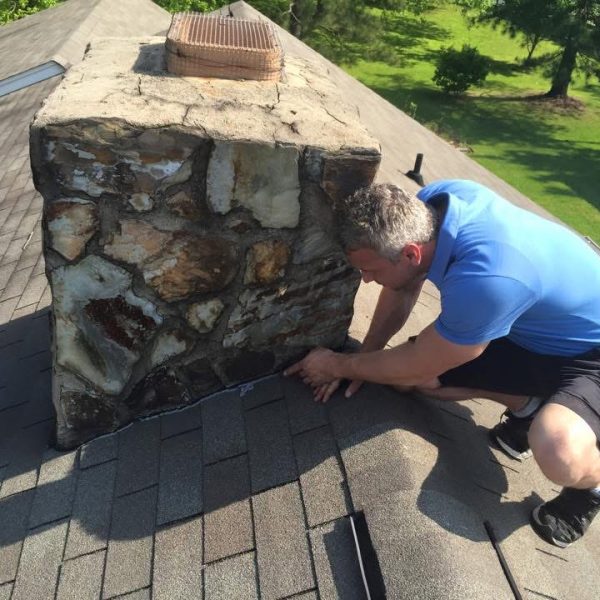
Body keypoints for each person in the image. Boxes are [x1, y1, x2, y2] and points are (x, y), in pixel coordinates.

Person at [285, 179, 600, 548]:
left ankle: (590, 489)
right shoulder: (434, 204)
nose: (366, 281)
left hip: (591, 353)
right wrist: (362, 357)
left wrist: (337, 366)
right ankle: (527, 405)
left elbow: (418, 362)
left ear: (410, 255)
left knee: (557, 449)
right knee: (410, 381)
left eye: (370, 271)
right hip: (530, 328)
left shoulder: (486, 280)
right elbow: (403, 291)